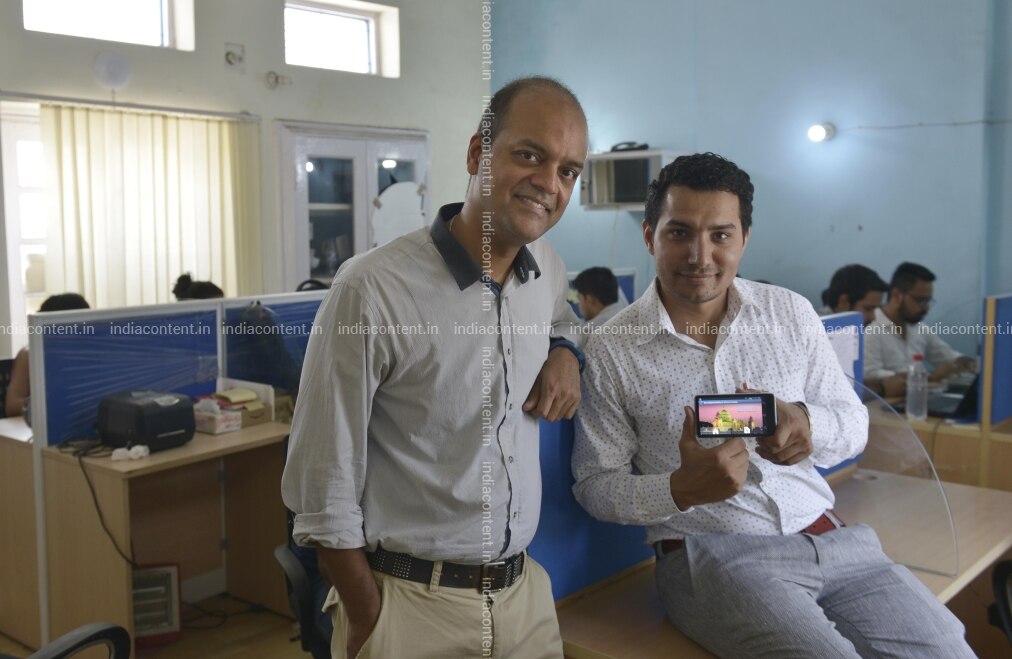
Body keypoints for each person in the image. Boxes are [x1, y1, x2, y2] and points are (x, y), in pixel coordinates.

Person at [571, 153, 974, 658]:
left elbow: (854, 423)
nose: (700, 255)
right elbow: (595, 484)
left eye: (720, 235)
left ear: (744, 239)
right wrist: (678, 489)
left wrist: (808, 423)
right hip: (713, 552)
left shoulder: (790, 313)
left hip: (833, 538)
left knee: (949, 649)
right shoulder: (612, 349)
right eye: (679, 233)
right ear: (650, 235)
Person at [282, 76, 589, 659]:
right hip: (410, 607)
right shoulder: (371, 289)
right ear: (478, 153)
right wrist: (370, 618)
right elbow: (322, 485)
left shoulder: (545, 267)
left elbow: (565, 320)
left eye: (569, 170)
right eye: (530, 155)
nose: (550, 183)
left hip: (524, 599)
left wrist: (565, 353)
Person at [864, 262, 976, 398]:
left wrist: (969, 364)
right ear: (896, 295)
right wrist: (929, 377)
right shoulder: (871, 328)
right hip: (885, 405)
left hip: (915, 399)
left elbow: (946, 356)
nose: (926, 308)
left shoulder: (918, 327)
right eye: (920, 300)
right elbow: (870, 376)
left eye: (928, 301)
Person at [5, 293, 90, 417]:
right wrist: (46, 402)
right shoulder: (29, 355)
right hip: (41, 422)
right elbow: (12, 406)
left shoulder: (91, 354)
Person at [819, 263, 888, 325]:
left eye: (876, 309)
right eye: (868, 309)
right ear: (844, 302)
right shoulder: (817, 329)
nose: (873, 317)